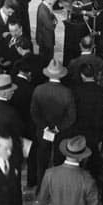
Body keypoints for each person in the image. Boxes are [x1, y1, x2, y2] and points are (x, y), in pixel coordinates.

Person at [31, 59, 77, 187]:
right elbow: (72, 117)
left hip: (43, 131)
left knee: (42, 162)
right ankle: (57, 188)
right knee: (59, 161)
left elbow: (34, 113)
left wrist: (45, 126)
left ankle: (41, 188)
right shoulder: (67, 92)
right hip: (61, 133)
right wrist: (58, 127)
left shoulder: (38, 90)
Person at [36, 0, 58, 64]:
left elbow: (52, 17)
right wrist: (54, 22)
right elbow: (51, 26)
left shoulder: (46, 5)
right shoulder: (43, 10)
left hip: (46, 38)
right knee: (46, 59)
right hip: (45, 39)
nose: (56, 0)